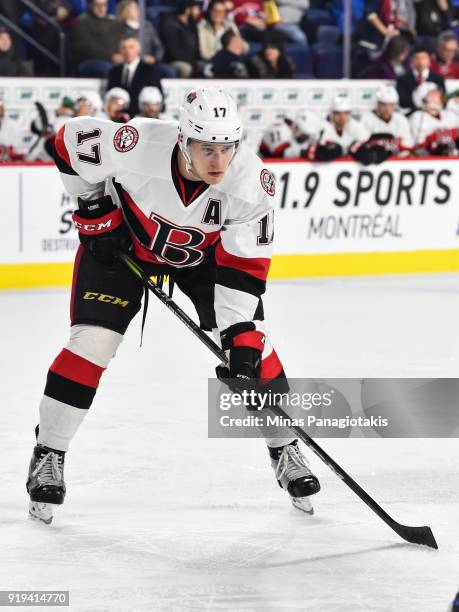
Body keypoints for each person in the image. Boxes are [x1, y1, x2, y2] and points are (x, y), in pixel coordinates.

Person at [26, 87, 321, 524]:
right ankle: (48, 453)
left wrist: (239, 345)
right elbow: (68, 141)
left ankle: (285, 445)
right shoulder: (138, 144)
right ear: (183, 139)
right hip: (121, 248)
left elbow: (243, 272)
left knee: (256, 354)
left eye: (227, 148)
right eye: (207, 148)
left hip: (204, 263)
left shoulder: (252, 185)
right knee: (92, 344)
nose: (218, 161)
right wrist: (94, 208)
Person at [114, 0, 176, 79]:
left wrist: (154, 58)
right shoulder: (118, 27)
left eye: (137, 7)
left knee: (169, 71)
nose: (138, 9)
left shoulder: (147, 26)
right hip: (128, 62)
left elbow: (159, 48)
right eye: (134, 8)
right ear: (125, 11)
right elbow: (116, 49)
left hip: (148, 63)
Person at [107, 36, 163, 117]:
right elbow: (110, 97)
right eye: (124, 48)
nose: (127, 51)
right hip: (119, 119)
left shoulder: (150, 70)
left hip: (142, 118)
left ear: (138, 50)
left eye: (131, 47)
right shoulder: (114, 72)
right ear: (120, 51)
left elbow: (157, 99)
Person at [70, 0, 125, 77]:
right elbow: (87, 48)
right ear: (91, 5)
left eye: (104, 5)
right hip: (89, 61)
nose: (101, 8)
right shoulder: (81, 23)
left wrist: (122, 55)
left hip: (113, 60)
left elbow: (120, 42)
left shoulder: (115, 23)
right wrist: (111, 56)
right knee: (109, 69)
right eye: (97, 5)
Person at [309, 95, 369, 161]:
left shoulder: (356, 125)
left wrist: (352, 149)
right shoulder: (322, 127)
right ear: (331, 114)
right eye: (338, 113)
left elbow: (365, 144)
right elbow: (313, 153)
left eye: (345, 113)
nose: (342, 117)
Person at [360, 84, 413, 157]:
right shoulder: (366, 118)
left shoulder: (401, 119)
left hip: (396, 162)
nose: (387, 109)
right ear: (377, 104)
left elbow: (407, 146)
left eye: (391, 105)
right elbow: (362, 145)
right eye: (384, 105)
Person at [409, 82, 459, 154]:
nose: (438, 97)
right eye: (433, 95)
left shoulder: (450, 114)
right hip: (432, 160)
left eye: (438, 94)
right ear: (423, 99)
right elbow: (420, 148)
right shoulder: (417, 117)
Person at [160, 0, 203, 77]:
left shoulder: (192, 25)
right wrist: (191, 62)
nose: (199, 12)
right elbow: (173, 51)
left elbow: (197, 48)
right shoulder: (170, 23)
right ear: (187, 10)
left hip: (192, 61)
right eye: (196, 8)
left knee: (206, 67)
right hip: (174, 61)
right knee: (185, 68)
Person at [396, 45, 445, 110]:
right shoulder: (402, 79)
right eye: (417, 58)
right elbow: (402, 101)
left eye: (423, 58)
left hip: (434, 113)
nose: (420, 61)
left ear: (429, 60)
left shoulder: (438, 79)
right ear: (412, 60)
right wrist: (422, 105)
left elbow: (443, 99)